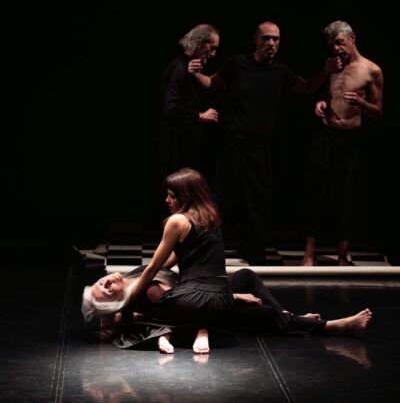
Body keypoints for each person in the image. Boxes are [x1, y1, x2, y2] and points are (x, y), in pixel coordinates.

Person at [188, 21, 341, 264]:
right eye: (266, 38)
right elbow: (211, 85)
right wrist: (195, 72)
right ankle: (206, 252)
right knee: (220, 201)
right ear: (256, 40)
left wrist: (326, 70)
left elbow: (307, 87)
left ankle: (254, 256)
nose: (271, 43)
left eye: (276, 39)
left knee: (258, 204)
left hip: (259, 149)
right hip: (233, 145)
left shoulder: (280, 71)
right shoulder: (237, 64)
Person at [83, 167, 235, 353]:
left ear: (186, 197)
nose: (167, 200)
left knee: (140, 321)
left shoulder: (177, 220)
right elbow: (179, 256)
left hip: (193, 299)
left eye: (172, 196)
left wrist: (129, 301)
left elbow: (154, 268)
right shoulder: (210, 216)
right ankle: (201, 329)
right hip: (224, 298)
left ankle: (186, 331)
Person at [83, 266, 373, 350]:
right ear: (116, 300)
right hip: (210, 310)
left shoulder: (135, 277)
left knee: (246, 275)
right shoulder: (150, 291)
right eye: (106, 289)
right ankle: (333, 326)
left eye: (100, 282)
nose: (106, 281)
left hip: (207, 292)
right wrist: (234, 297)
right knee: (264, 314)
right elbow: (194, 303)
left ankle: (288, 316)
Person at [301, 21, 384, 266]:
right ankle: (309, 252)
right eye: (332, 45)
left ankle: (342, 254)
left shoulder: (371, 70)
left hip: (352, 138)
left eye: (339, 43)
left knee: (348, 195)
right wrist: (319, 103)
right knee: (316, 191)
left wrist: (361, 103)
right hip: (326, 134)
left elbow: (378, 111)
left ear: (352, 38)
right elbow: (321, 93)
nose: (336, 49)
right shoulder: (332, 66)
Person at [159, 24, 220, 181]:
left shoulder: (189, 68)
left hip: (187, 144)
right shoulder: (179, 68)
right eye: (212, 48)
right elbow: (171, 110)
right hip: (177, 147)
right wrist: (200, 115)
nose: (213, 54)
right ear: (199, 43)